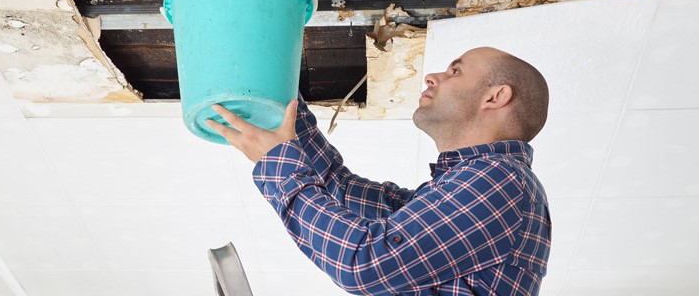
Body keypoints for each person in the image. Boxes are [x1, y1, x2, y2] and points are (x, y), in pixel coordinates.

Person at [207, 46, 551, 295]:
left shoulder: (500, 181)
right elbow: (336, 187)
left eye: (455, 71)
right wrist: (277, 87)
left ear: (495, 97)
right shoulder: (461, 187)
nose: (432, 77)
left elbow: (363, 262)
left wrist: (278, 164)